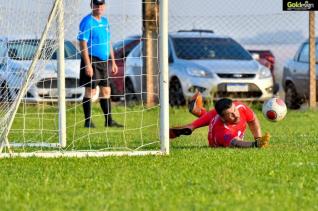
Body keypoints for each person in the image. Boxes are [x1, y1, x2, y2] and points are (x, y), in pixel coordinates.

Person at [77, 0, 123, 128]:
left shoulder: (105, 22)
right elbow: (82, 43)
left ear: (104, 6)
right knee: (90, 91)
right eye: (96, 4)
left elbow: (108, 42)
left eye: (101, 4)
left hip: (103, 62)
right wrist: (87, 64)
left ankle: (109, 121)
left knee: (106, 90)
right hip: (92, 60)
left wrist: (113, 62)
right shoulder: (87, 22)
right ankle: (88, 122)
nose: (99, 7)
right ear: (91, 6)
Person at [170, 92, 270, 148]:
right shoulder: (222, 132)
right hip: (215, 136)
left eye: (234, 110)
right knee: (213, 116)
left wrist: (258, 138)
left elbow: (253, 119)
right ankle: (191, 121)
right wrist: (255, 144)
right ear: (222, 118)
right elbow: (236, 143)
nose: (235, 115)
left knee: (213, 113)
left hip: (217, 116)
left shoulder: (240, 106)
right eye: (230, 114)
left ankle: (193, 121)